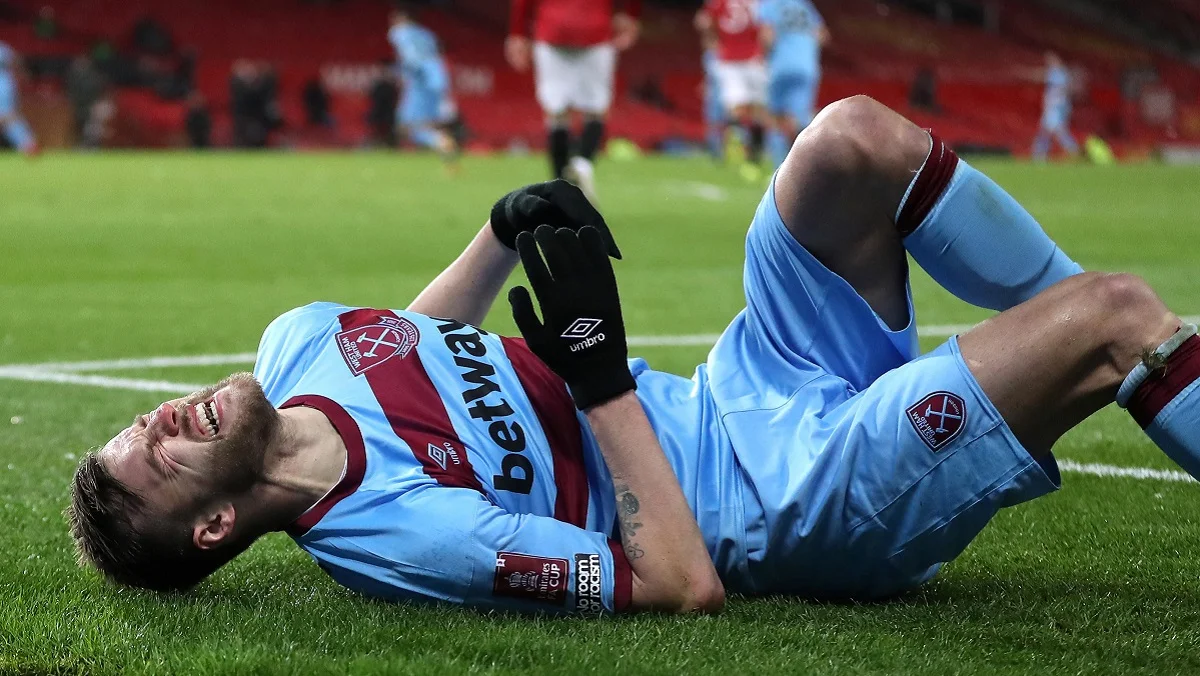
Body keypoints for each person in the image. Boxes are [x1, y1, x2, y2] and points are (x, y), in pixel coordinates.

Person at [69, 96, 1200, 617]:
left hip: (740, 386)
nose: (160, 419)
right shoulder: (398, 538)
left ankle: (1125, 350)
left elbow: (409, 344)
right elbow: (678, 583)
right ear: (215, 527)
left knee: (850, 141)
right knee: (1112, 317)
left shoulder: (297, 344)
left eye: (140, 424)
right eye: (157, 459)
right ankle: (1133, 355)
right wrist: (599, 376)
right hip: (772, 503)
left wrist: (502, 229)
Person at [507, 0, 641, 199]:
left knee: (556, 111)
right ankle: (583, 162)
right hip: (595, 29)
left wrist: (517, 32)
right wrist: (631, 14)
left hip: (552, 28)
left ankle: (560, 185)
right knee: (596, 108)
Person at [696, 0, 768, 182]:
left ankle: (736, 152)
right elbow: (767, 29)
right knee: (757, 110)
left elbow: (703, 21)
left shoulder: (719, 2)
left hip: (729, 59)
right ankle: (752, 156)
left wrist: (712, 42)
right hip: (754, 59)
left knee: (736, 109)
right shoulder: (758, 2)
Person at [758, 0, 828, 169]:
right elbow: (822, 35)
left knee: (776, 115)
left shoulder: (769, 5)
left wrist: (764, 56)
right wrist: (806, 47)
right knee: (799, 118)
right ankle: (805, 165)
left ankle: (778, 165)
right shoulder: (804, 6)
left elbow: (767, 36)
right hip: (806, 67)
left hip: (780, 65)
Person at [388, 7, 460, 169]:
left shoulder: (400, 33)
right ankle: (447, 156)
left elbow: (411, 58)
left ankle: (441, 141)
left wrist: (402, 71)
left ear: (400, 18)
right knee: (421, 123)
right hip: (437, 80)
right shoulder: (427, 34)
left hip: (420, 81)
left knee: (408, 125)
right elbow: (436, 54)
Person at [1032, 51, 1080, 162]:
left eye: (1051, 59)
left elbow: (1066, 89)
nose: (1049, 62)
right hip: (1051, 107)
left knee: (1057, 131)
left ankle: (1073, 150)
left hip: (1056, 108)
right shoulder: (1055, 73)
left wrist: (1060, 104)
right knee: (1046, 131)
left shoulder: (1060, 74)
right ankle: (1039, 156)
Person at [0, 41, 38, 156]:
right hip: (6, 85)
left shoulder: (3, 48)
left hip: (4, 85)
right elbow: (17, 62)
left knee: (8, 116)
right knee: (9, 117)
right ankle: (28, 143)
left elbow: (16, 62)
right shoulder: (4, 48)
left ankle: (27, 143)